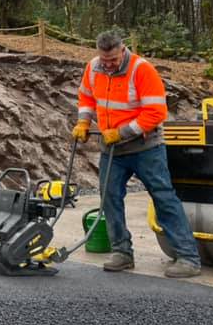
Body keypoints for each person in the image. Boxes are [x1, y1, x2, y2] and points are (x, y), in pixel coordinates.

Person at [72, 30, 201, 278]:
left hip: (146, 148)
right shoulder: (93, 68)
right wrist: (84, 122)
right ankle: (122, 252)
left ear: (123, 50)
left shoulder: (142, 70)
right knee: (109, 198)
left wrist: (121, 133)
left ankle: (188, 257)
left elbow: (155, 113)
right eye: (104, 59)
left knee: (163, 197)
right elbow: (86, 97)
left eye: (112, 60)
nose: (108, 65)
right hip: (111, 149)